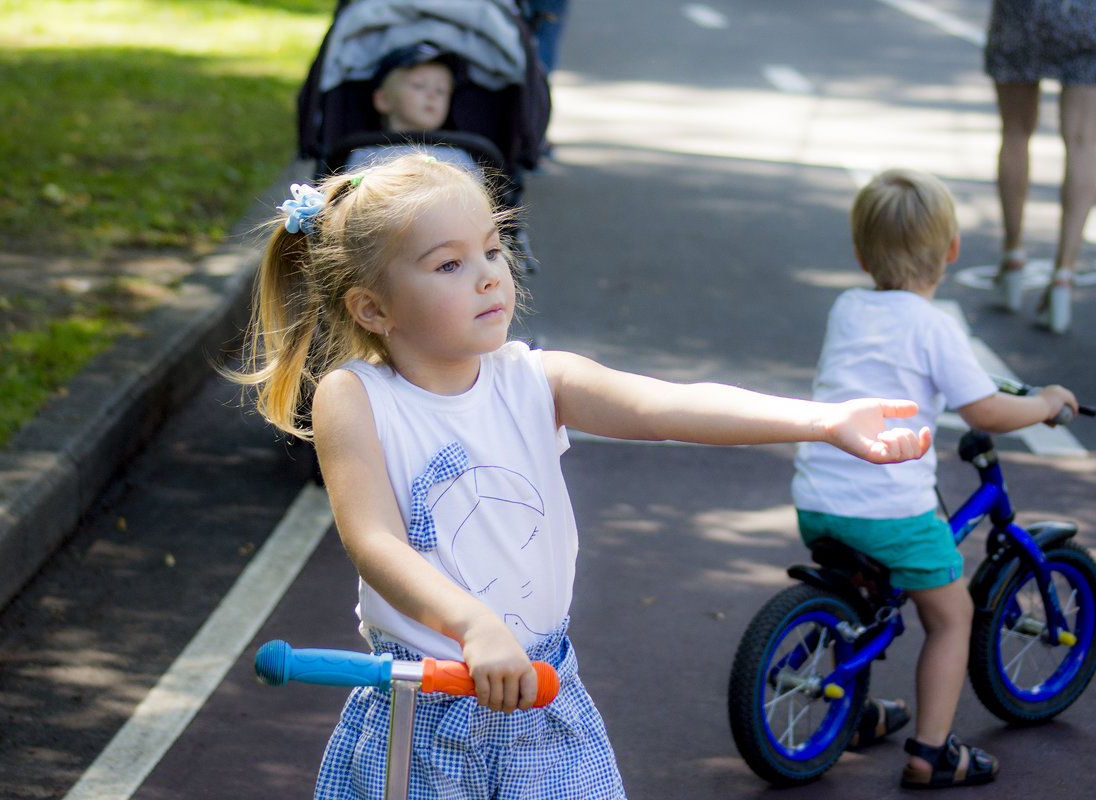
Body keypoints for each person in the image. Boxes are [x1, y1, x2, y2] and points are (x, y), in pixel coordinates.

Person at [232, 154, 934, 799]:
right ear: (372, 308)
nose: (488, 275)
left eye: (493, 250)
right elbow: (373, 542)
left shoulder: (535, 378)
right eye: (448, 265)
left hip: (543, 695)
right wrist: (474, 624)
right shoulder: (354, 398)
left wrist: (822, 420)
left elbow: (669, 405)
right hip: (423, 715)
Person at [792, 168, 1078, 789]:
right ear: (951, 252)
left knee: (860, 598)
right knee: (952, 617)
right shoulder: (935, 327)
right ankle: (933, 751)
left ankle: (850, 709)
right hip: (889, 510)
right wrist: (1046, 402)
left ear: (861, 253)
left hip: (818, 499)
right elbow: (986, 411)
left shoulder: (848, 307)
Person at [985, 0, 1096, 333]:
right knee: (1084, 141)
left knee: (1016, 132)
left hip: (1022, 11)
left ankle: (1013, 257)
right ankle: (1064, 273)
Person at [343, 43, 480, 177]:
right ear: (383, 100)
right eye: (418, 85)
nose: (432, 95)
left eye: (440, 91)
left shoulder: (459, 158)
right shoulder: (366, 156)